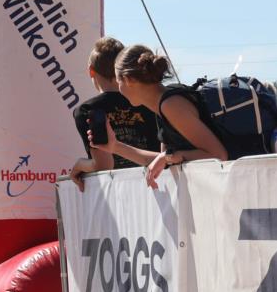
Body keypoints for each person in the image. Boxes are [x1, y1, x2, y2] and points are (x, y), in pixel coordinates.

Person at [91, 45, 229, 190]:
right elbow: (162, 159)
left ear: (128, 79)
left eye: (118, 82)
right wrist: (115, 147)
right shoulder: (162, 104)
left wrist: (167, 157)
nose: (119, 89)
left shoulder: (171, 105)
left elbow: (219, 156)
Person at [69, 37, 160, 191]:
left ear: (91, 70)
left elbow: (103, 165)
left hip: (117, 192)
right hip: (157, 186)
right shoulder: (148, 103)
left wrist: (79, 165)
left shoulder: (88, 109)